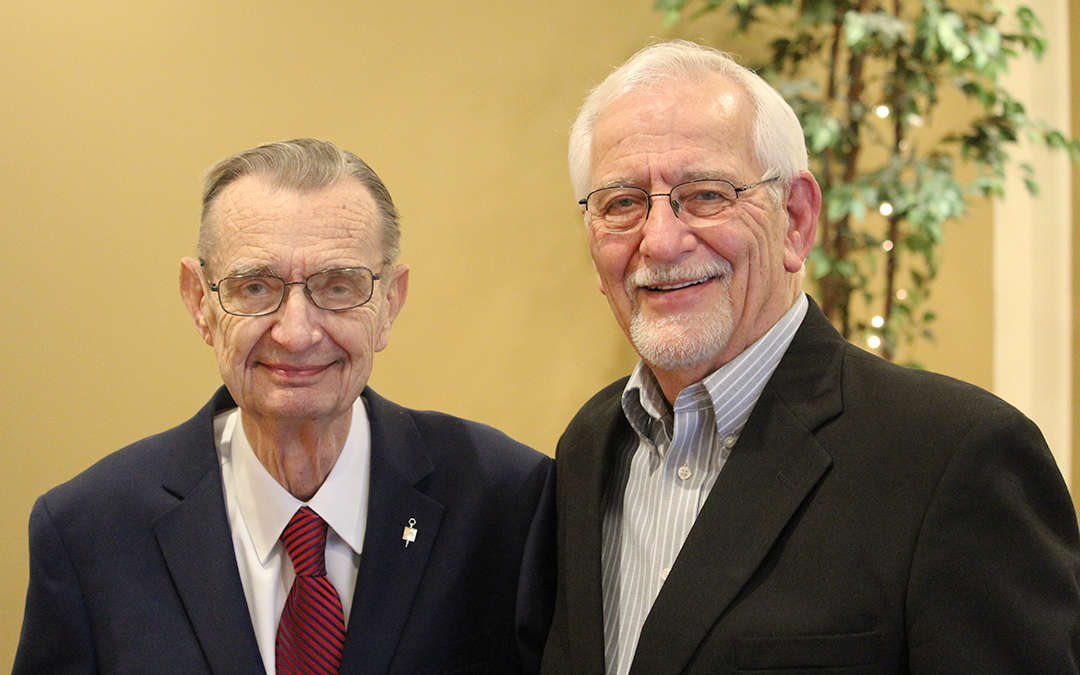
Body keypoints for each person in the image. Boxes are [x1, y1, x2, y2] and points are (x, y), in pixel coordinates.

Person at [540, 40, 1080, 675]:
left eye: (707, 194)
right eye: (623, 203)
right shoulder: (589, 446)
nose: (659, 240)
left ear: (796, 219)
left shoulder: (954, 457)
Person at [14, 138, 555, 675]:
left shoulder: (507, 502)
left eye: (339, 286)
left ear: (390, 303)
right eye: (255, 287)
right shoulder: (89, 532)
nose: (296, 333)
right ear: (199, 301)